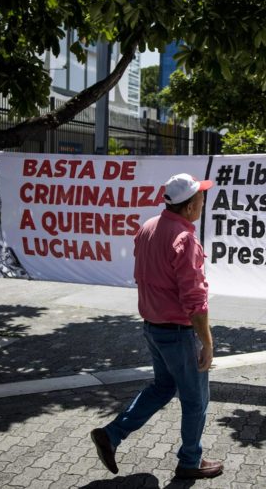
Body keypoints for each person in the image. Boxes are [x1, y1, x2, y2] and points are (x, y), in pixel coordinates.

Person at [90, 173, 223, 480]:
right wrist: (207, 342)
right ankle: (190, 461)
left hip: (153, 327)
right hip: (177, 333)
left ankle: (111, 434)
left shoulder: (149, 227)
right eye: (201, 197)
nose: (204, 201)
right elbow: (195, 300)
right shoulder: (184, 239)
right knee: (196, 400)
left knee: (163, 387)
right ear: (189, 207)